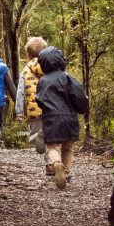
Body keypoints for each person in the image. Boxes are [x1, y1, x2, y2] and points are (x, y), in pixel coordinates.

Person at [35, 46, 89, 189]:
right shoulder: (68, 78)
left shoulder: (43, 81)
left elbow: (39, 100)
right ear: (61, 61)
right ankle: (65, 174)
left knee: (52, 147)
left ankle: (56, 164)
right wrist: (83, 109)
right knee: (68, 147)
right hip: (69, 118)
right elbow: (79, 97)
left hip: (51, 118)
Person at [15, 36, 53, 174]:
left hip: (34, 110)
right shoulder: (51, 68)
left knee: (36, 139)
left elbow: (20, 92)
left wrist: (19, 112)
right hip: (51, 109)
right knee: (51, 139)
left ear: (27, 55)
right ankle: (51, 165)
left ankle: (37, 137)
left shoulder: (25, 71)